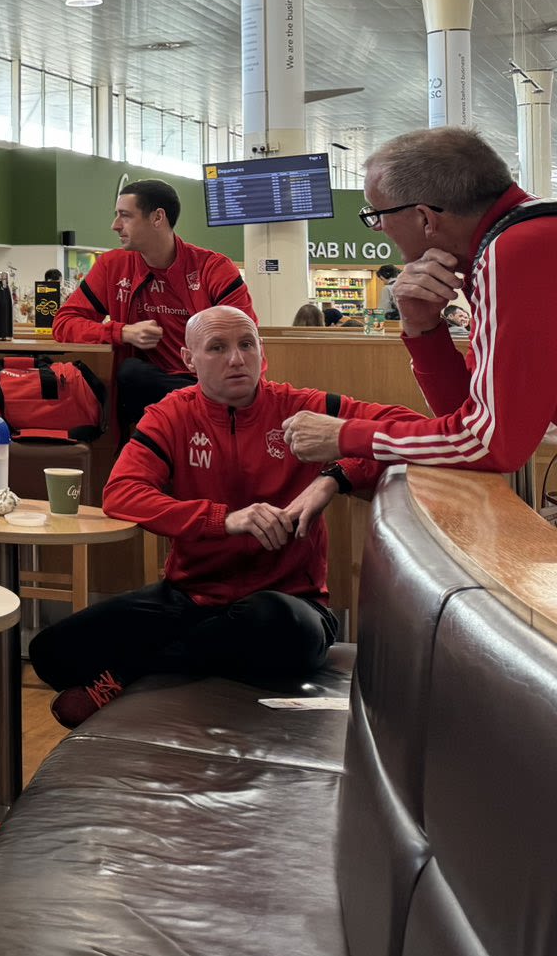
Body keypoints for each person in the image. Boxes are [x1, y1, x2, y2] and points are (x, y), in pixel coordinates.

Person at [29, 306, 413, 727]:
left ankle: (129, 674)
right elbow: (122, 494)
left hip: (288, 604)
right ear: (188, 360)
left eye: (247, 344)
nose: (237, 358)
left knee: (279, 624)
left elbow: (408, 428)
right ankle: (188, 659)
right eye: (217, 347)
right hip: (190, 598)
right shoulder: (171, 415)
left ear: (262, 353)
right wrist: (223, 520)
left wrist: (332, 478)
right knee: (51, 652)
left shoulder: (303, 408)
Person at [281, 127, 557, 474]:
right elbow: (464, 413)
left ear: (425, 218)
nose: (378, 226)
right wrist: (423, 328)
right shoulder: (519, 239)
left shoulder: (515, 251)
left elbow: (487, 445)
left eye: (377, 213)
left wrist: (346, 435)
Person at [52, 178, 256, 437]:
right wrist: (123, 332)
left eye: (125, 216)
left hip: (211, 385)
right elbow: (64, 323)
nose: (115, 226)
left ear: (158, 217)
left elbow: (246, 341)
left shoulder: (214, 269)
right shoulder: (112, 266)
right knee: (132, 374)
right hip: (144, 391)